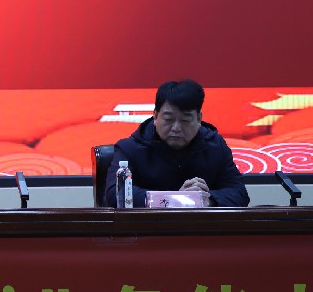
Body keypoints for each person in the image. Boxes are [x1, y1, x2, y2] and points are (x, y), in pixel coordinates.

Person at [104, 79, 249, 207]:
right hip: (150, 227)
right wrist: (175, 199)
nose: (176, 128)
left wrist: (207, 200)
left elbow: (239, 193)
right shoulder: (129, 149)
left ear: (199, 119)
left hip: (201, 227)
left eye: (185, 120)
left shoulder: (216, 146)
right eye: (168, 119)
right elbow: (115, 195)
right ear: (155, 116)